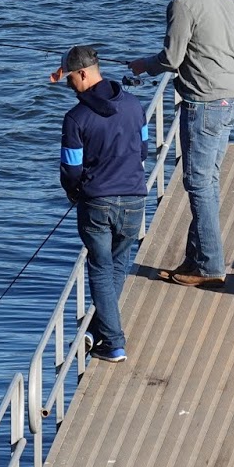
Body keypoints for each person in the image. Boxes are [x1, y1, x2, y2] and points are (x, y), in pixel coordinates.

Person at [126, 0, 234, 289]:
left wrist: (142, 65)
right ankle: (195, 259)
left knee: (198, 184)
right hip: (231, 99)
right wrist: (231, 88)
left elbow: (171, 58)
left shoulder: (183, 3)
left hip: (204, 104)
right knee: (207, 181)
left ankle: (210, 266)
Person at [56, 45, 149, 363]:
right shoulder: (135, 106)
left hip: (97, 203)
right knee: (118, 265)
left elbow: (71, 169)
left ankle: (113, 342)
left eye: (70, 78)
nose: (69, 84)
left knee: (99, 268)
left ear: (84, 73)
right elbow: (144, 150)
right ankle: (100, 327)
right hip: (135, 198)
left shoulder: (75, 118)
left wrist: (73, 191)